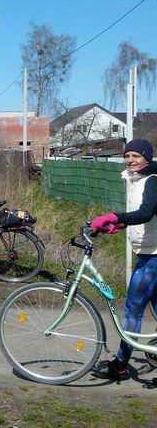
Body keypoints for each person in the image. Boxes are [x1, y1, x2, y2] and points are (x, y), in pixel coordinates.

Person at [90, 139, 157, 380]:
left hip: (153, 256)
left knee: (133, 310)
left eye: (136, 156)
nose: (130, 160)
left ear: (146, 158)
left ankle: (120, 364)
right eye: (127, 155)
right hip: (148, 252)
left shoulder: (151, 180)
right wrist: (118, 224)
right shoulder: (135, 179)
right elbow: (145, 217)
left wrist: (113, 216)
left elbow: (147, 212)